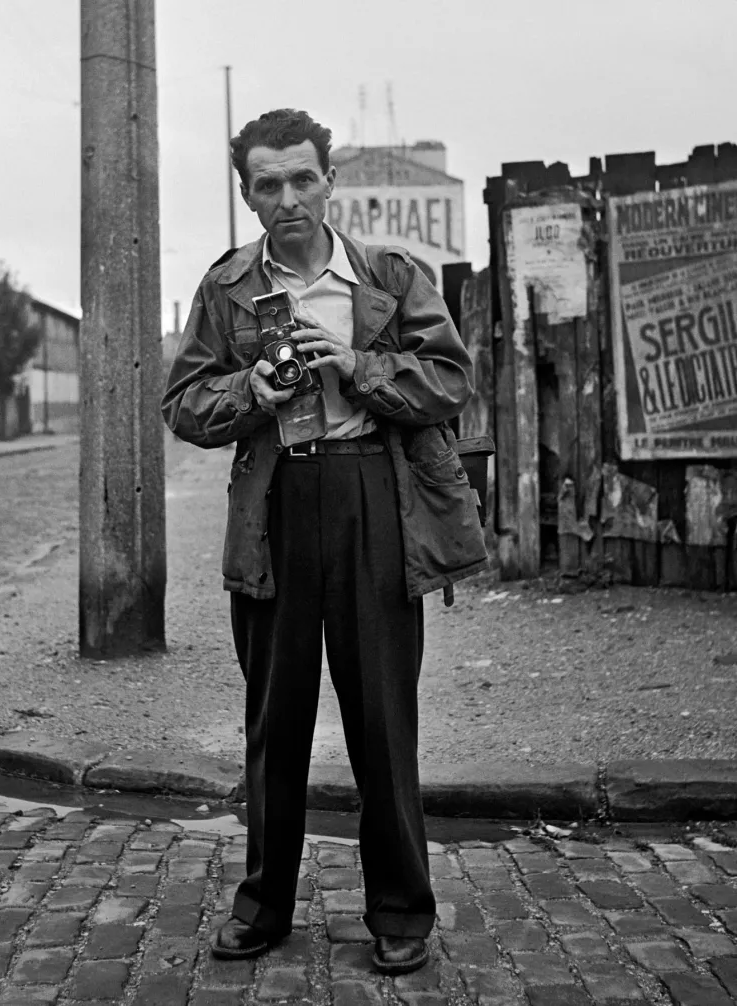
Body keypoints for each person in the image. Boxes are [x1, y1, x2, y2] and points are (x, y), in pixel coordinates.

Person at [162, 108, 487, 976]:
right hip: (275, 503)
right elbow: (183, 404)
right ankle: (264, 905)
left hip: (373, 496)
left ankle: (401, 912)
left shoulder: (386, 274)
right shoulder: (229, 288)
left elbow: (452, 380)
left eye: (303, 178)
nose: (289, 198)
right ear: (248, 194)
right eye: (267, 184)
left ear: (329, 181)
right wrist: (251, 390)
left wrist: (360, 366)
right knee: (276, 718)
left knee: (383, 716)